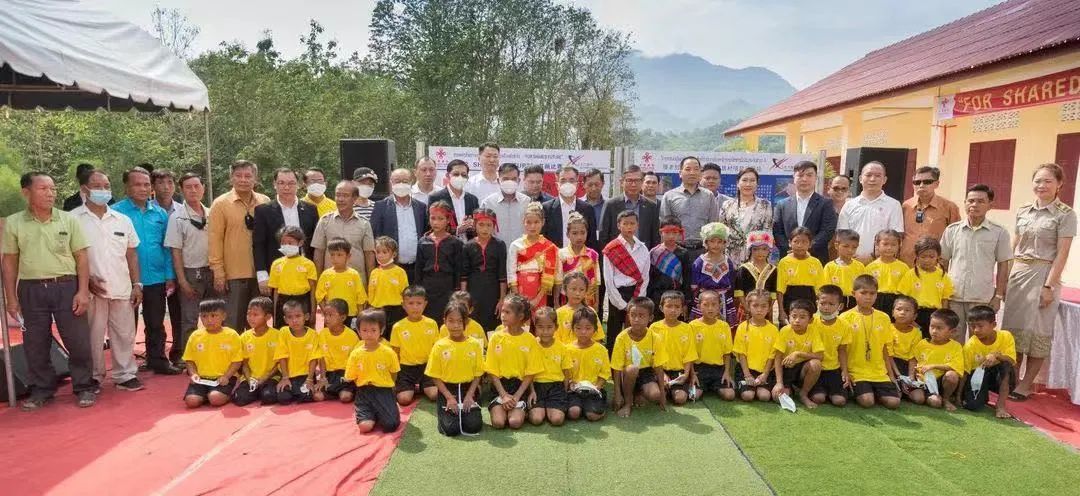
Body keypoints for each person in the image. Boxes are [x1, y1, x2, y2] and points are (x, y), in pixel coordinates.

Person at [1003, 163, 1075, 401]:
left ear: (1059, 184)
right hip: (1018, 273)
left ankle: (1026, 384)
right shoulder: (1023, 210)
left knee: (1037, 332)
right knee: (1013, 330)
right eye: (1038, 181)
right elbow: (1014, 245)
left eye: (1048, 181)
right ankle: (1011, 379)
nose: (1041, 185)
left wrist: (1049, 286)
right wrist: (1005, 277)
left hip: (1043, 274)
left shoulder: (1065, 214)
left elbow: (1062, 253)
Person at [72, 171, 143, 392]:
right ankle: (94, 376)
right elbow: (69, 255)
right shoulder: (72, 219)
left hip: (121, 286)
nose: (103, 190)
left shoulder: (122, 220)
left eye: (106, 186)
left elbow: (131, 254)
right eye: (97, 186)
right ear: (84, 189)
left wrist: (137, 284)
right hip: (91, 289)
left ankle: (125, 374)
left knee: (124, 333)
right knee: (93, 335)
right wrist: (84, 282)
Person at [114, 167, 181, 375]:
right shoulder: (116, 213)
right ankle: (125, 367)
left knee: (156, 323)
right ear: (127, 187)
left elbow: (167, 247)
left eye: (146, 185)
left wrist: (169, 275)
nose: (143, 189)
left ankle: (157, 360)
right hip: (126, 279)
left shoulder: (159, 213)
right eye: (137, 184)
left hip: (156, 277)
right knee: (126, 326)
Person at [940, 184, 1012, 341]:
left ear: (990, 205)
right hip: (954, 297)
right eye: (971, 201)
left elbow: (1003, 265)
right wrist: (941, 293)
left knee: (980, 342)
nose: (974, 205)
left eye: (980, 201)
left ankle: (978, 361)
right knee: (953, 341)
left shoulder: (999, 232)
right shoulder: (952, 230)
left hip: (982, 299)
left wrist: (998, 296)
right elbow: (943, 263)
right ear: (965, 203)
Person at [209, 160, 271, 331]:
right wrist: (218, 272)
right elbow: (215, 239)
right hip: (233, 275)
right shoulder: (220, 204)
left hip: (260, 275)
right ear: (231, 178)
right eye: (238, 175)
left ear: (255, 178)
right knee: (232, 323)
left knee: (258, 325)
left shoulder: (264, 201)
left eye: (248, 176)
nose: (243, 180)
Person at [165, 172, 217, 368]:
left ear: (203, 188)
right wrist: (182, 280)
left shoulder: (212, 213)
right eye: (188, 187)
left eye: (197, 186)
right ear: (181, 190)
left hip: (212, 271)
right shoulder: (177, 217)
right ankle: (191, 360)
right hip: (190, 273)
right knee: (189, 319)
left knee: (216, 315)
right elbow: (175, 251)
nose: (193, 190)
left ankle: (214, 355)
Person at [254, 168, 320, 297]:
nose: (286, 187)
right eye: (281, 183)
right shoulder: (263, 211)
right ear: (274, 184)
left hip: (305, 274)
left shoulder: (311, 209)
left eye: (291, 183)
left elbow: (315, 244)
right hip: (277, 275)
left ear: (298, 185)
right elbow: (258, 245)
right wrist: (262, 275)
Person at [840, 275, 900, 409]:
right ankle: (865, 391)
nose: (868, 297)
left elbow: (885, 348)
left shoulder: (884, 317)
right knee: (867, 402)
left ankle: (875, 390)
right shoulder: (845, 318)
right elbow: (841, 349)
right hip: (857, 372)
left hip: (879, 373)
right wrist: (845, 372)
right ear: (853, 293)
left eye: (872, 293)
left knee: (894, 403)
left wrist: (891, 375)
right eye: (863, 293)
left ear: (877, 294)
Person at [485, 294, 545, 429]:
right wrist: (504, 395)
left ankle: (523, 409)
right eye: (502, 311)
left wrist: (517, 396)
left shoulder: (530, 340)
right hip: (500, 387)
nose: (503, 315)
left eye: (507, 312)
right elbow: (491, 371)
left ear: (520, 316)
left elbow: (530, 372)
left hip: (519, 387)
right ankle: (500, 407)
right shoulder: (496, 337)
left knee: (515, 422)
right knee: (498, 423)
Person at [426, 302, 485, 436]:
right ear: (445, 321)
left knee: (473, 426)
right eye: (451, 321)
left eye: (459, 321)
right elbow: (435, 375)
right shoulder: (439, 346)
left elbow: (478, 373)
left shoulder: (474, 344)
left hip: (469, 388)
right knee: (451, 429)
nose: (455, 325)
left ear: (465, 322)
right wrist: (448, 397)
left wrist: (470, 395)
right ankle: (444, 414)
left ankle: (468, 413)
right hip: (448, 390)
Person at [611, 297, 667, 417]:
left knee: (655, 395)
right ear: (628, 316)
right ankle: (628, 403)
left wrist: (662, 394)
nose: (636, 319)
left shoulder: (655, 338)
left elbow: (658, 367)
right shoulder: (621, 338)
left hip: (646, 372)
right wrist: (617, 394)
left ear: (650, 318)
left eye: (641, 316)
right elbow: (616, 368)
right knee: (633, 369)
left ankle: (638, 393)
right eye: (633, 315)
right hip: (627, 374)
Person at [347, 308, 402, 433]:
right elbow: (352, 377)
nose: (369, 334)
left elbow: (394, 372)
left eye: (373, 330)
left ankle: (388, 407)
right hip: (364, 391)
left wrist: (389, 387)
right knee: (365, 427)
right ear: (358, 331)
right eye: (365, 330)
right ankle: (370, 412)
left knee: (391, 425)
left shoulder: (388, 352)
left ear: (381, 330)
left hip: (383, 390)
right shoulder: (355, 354)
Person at [312, 181, 376, 286]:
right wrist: (318, 284)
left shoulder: (364, 223)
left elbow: (369, 255)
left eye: (345, 196)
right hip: (330, 283)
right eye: (338, 195)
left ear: (355, 199)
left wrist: (371, 284)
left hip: (357, 284)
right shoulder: (324, 221)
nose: (340, 199)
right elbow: (319, 253)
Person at [838, 162, 904, 263]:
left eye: (878, 176)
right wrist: (850, 255)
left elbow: (896, 236)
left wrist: (873, 257)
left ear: (884, 180)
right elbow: (842, 235)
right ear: (860, 178)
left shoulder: (894, 205)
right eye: (868, 175)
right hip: (851, 262)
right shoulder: (849, 205)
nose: (872, 179)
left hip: (882, 263)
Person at [601, 210, 651, 346]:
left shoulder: (643, 248)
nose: (629, 227)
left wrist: (639, 299)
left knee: (636, 330)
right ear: (619, 225)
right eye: (625, 224)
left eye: (632, 223)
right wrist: (621, 304)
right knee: (614, 331)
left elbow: (645, 277)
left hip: (636, 292)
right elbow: (608, 280)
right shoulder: (611, 249)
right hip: (617, 294)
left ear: (637, 225)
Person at [773, 161, 837, 265]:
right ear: (794, 178)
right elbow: (777, 232)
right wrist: (791, 249)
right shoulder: (782, 205)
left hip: (815, 260)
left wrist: (805, 248)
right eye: (800, 175)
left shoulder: (826, 204)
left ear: (816, 178)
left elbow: (827, 231)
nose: (804, 179)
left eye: (809, 175)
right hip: (788, 260)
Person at [182, 299, 242, 408]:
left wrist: (226, 376)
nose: (209, 320)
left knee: (215, 399)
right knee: (191, 401)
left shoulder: (232, 335)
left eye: (214, 315)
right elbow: (189, 360)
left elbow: (237, 361)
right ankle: (204, 395)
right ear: (200, 317)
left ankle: (223, 395)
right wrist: (193, 374)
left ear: (223, 316)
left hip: (223, 378)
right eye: (204, 316)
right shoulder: (195, 336)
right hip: (201, 378)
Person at [150, 168, 183, 363]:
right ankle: (156, 356)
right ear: (153, 187)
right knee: (155, 316)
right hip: (154, 271)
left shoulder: (182, 210)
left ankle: (178, 353)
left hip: (179, 270)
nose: (166, 187)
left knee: (179, 314)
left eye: (170, 182)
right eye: (161, 183)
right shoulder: (147, 210)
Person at [660, 157, 719, 262]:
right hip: (676, 250)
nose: (692, 172)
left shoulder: (709, 196)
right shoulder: (669, 196)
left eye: (696, 169)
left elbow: (713, 225)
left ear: (700, 173)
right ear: (680, 173)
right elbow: (664, 227)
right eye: (688, 169)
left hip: (703, 251)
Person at [961, 305, 1016, 418]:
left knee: (1006, 366)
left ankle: (1000, 406)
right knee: (972, 405)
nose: (976, 330)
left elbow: (1011, 360)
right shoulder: (970, 345)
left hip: (998, 375)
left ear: (993, 325)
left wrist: (996, 355)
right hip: (978, 375)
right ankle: (982, 396)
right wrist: (958, 396)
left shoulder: (1006, 336)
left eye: (980, 326)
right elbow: (965, 372)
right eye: (972, 326)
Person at [374, 168, 430, 277]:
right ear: (391, 183)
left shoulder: (421, 207)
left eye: (405, 181)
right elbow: (376, 236)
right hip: (390, 267)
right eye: (397, 181)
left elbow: (425, 233)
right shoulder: (381, 207)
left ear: (411, 182)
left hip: (417, 268)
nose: (401, 184)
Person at [390, 285, 441, 405]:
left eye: (419, 303)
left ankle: (424, 385)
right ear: (403, 305)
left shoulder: (432, 323)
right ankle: (408, 387)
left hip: (427, 367)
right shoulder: (398, 327)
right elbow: (395, 354)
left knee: (434, 395)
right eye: (411, 303)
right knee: (404, 399)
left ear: (425, 304)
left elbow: (436, 349)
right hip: (406, 369)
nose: (415, 307)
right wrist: (393, 378)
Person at [414, 201, 464, 323]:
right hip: (427, 286)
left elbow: (458, 269)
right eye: (433, 218)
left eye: (440, 219)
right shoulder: (423, 241)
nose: (436, 222)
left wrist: (457, 291)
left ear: (448, 220)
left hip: (447, 287)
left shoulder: (455, 243)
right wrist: (418, 290)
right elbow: (418, 268)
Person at [901, 167, 961, 265]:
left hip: (935, 264)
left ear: (936, 184)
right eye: (917, 182)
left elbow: (956, 238)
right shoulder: (906, 206)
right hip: (907, 263)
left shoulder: (949, 207)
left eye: (927, 182)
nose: (921, 185)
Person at [907, 309, 964, 412]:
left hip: (941, 381)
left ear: (952, 331)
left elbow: (955, 366)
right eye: (932, 326)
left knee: (952, 375)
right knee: (920, 399)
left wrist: (933, 366)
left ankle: (945, 399)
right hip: (923, 380)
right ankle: (930, 396)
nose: (934, 331)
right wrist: (911, 377)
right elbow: (913, 359)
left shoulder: (956, 346)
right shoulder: (922, 343)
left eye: (939, 328)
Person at [231, 297, 283, 407]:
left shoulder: (277, 335)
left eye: (255, 315)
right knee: (239, 399)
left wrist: (264, 378)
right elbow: (244, 363)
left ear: (268, 317)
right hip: (251, 378)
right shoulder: (244, 337)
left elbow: (279, 363)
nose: (251, 318)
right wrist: (249, 379)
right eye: (249, 314)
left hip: (271, 377)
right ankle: (254, 391)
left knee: (269, 396)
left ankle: (261, 392)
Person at [773, 299, 824, 409]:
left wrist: (798, 354)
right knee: (777, 397)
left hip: (802, 370)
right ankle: (789, 388)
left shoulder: (813, 331)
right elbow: (777, 358)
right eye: (794, 316)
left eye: (802, 317)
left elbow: (820, 356)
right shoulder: (785, 331)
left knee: (816, 364)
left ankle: (803, 394)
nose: (797, 320)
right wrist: (779, 383)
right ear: (789, 316)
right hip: (786, 369)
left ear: (810, 320)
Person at [507, 202, 560, 309]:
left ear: (543, 222)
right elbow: (511, 273)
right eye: (529, 222)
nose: (533, 226)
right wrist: (518, 297)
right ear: (523, 222)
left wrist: (537, 299)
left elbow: (549, 275)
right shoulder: (515, 245)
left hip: (540, 291)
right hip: (519, 290)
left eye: (536, 222)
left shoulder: (549, 247)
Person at [898, 237, 953, 338]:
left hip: (935, 316)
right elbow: (904, 298)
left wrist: (943, 318)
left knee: (932, 342)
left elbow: (945, 299)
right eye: (923, 256)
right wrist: (910, 318)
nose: (927, 260)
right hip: (915, 314)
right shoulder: (910, 274)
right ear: (917, 256)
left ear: (938, 256)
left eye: (931, 257)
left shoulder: (943, 276)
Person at [649, 291, 698, 406]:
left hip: (678, 372)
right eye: (669, 306)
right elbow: (651, 355)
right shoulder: (654, 328)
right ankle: (662, 390)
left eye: (677, 307)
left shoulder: (687, 328)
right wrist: (662, 374)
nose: (673, 310)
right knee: (655, 396)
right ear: (661, 308)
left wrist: (686, 375)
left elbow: (689, 354)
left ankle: (672, 390)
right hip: (659, 370)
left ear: (682, 309)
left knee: (680, 399)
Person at [461, 209, 506, 331]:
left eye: (489, 225)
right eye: (481, 225)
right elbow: (464, 275)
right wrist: (464, 298)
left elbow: (502, 274)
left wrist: (502, 299)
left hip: (493, 291)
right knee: (474, 323)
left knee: (492, 324)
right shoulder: (468, 246)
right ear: (475, 225)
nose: (485, 229)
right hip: (473, 290)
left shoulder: (499, 245)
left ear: (494, 226)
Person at [732, 290, 780, 402]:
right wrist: (747, 375)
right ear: (748, 306)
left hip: (764, 371)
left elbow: (772, 356)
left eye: (763, 306)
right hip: (745, 370)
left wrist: (765, 374)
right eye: (755, 305)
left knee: (764, 396)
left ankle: (760, 385)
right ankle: (745, 385)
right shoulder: (742, 327)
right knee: (748, 396)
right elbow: (741, 354)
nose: (759, 309)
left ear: (769, 308)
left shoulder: (773, 330)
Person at [565, 306, 611, 421]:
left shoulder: (601, 350)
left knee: (592, 416)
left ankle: (594, 407)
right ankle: (581, 407)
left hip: (594, 390)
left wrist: (597, 387)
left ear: (595, 329)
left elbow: (605, 374)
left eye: (588, 328)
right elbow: (564, 373)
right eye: (578, 328)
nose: (583, 332)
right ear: (573, 329)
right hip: (574, 390)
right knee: (573, 413)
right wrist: (570, 384)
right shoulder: (567, 349)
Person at [599, 165, 660, 250]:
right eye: (629, 180)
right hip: (617, 254)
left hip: (643, 255)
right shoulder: (611, 205)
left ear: (642, 182)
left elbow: (655, 237)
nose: (633, 184)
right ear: (621, 182)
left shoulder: (651, 206)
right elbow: (603, 236)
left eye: (637, 180)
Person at [719, 167, 773, 264]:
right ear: (737, 183)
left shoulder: (765, 205)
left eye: (752, 180)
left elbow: (767, 233)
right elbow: (722, 232)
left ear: (757, 184)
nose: (748, 184)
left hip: (755, 257)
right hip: (730, 257)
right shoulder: (727, 205)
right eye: (744, 180)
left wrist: (765, 260)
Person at [527, 307, 571, 426]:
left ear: (556, 327)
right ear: (535, 327)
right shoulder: (531, 345)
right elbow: (527, 372)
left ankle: (552, 408)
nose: (545, 331)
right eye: (540, 327)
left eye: (549, 327)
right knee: (536, 419)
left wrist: (564, 392)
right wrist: (531, 390)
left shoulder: (562, 348)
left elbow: (566, 373)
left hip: (556, 387)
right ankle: (539, 409)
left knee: (557, 420)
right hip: (536, 387)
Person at [690, 290, 736, 401]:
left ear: (719, 306)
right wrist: (692, 374)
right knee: (693, 396)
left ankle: (714, 385)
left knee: (730, 395)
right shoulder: (692, 326)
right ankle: (703, 386)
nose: (710, 308)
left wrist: (727, 372)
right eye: (706, 305)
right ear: (699, 306)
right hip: (699, 369)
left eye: (714, 305)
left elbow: (727, 353)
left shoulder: (724, 326)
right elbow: (689, 353)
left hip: (718, 369)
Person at [276, 300, 325, 404]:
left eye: (298, 316)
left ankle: (299, 391)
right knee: (283, 398)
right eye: (290, 317)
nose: (294, 320)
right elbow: (282, 356)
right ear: (285, 319)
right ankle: (294, 391)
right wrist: (285, 377)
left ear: (306, 317)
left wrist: (310, 379)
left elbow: (314, 359)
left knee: (306, 397)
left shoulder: (313, 335)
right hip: (288, 375)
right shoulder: (283, 332)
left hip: (305, 376)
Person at [810, 285, 852, 407]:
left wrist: (844, 371)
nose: (826, 307)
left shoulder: (845, 325)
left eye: (831, 304)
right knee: (818, 398)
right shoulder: (811, 322)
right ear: (817, 303)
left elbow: (842, 350)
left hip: (834, 369)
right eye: (823, 303)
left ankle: (833, 391)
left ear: (840, 306)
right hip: (816, 369)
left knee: (839, 401)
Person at [268, 226, 318, 327]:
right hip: (283, 301)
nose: (286, 245)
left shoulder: (308, 264)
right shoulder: (276, 264)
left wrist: (313, 312)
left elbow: (313, 290)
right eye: (283, 243)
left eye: (290, 243)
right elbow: (276, 291)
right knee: (283, 331)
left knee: (302, 331)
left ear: (300, 243)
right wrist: (275, 314)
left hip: (302, 300)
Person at [690, 222, 737, 325]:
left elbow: (731, 284)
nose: (716, 245)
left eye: (720, 242)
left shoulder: (728, 261)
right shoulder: (699, 262)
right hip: (704, 301)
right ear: (706, 242)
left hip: (723, 301)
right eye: (712, 241)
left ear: (725, 243)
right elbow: (694, 286)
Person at [542, 166, 598, 250]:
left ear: (577, 185)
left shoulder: (587, 209)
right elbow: (542, 238)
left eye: (571, 180)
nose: (567, 184)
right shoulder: (546, 208)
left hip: (580, 257)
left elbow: (592, 240)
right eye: (563, 180)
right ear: (557, 185)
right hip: (554, 256)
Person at [648, 217, 692, 319]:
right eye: (667, 233)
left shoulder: (683, 253)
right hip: (658, 296)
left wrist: (686, 302)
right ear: (661, 233)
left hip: (677, 296)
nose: (671, 236)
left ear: (680, 233)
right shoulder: (654, 253)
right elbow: (650, 279)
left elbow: (687, 278)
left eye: (675, 233)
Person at [315, 239, 367, 323]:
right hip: (332, 316)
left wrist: (360, 317)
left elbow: (360, 298)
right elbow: (319, 297)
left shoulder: (354, 274)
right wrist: (327, 313)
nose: (335, 258)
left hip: (351, 315)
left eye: (339, 255)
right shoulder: (326, 275)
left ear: (348, 256)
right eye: (332, 255)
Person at [777, 227, 823, 322]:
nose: (799, 245)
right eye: (796, 241)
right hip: (790, 299)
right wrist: (781, 311)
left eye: (804, 242)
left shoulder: (816, 262)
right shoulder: (784, 262)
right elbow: (780, 290)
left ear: (810, 244)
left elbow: (820, 289)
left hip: (809, 299)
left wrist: (820, 309)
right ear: (790, 243)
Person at [319, 299, 360, 403]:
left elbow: (356, 361)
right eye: (325, 315)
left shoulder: (352, 336)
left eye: (330, 315)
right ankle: (333, 391)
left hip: (346, 374)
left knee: (345, 397)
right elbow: (321, 358)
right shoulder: (322, 334)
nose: (327, 318)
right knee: (317, 396)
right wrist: (323, 377)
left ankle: (343, 390)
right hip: (329, 374)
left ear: (343, 317)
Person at [557, 212, 601, 309]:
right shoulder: (561, 254)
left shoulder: (593, 255)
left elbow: (597, 282)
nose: (579, 237)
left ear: (587, 233)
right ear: (567, 234)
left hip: (588, 300)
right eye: (574, 233)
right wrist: (556, 302)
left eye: (582, 233)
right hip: (567, 300)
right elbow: (558, 280)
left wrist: (597, 302)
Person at [479, 162, 530, 245]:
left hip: (522, 250)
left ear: (518, 181)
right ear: (498, 181)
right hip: (496, 250)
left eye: (513, 179)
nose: (510, 182)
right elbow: (481, 230)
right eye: (505, 179)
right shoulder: (488, 203)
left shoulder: (527, 202)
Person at [428, 159, 479, 240]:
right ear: (447, 175)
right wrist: (457, 230)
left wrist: (473, 226)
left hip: (469, 245)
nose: (460, 177)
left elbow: (478, 227)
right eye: (456, 174)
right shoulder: (436, 198)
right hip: (446, 245)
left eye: (463, 175)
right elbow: (431, 227)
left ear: (467, 177)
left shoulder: (473, 199)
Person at [369, 237, 409, 336]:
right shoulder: (374, 272)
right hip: (378, 310)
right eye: (378, 252)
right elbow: (371, 294)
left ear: (394, 254)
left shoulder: (400, 272)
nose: (380, 255)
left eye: (384, 252)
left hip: (396, 310)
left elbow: (405, 292)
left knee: (394, 336)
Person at [734, 231, 778, 312]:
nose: (760, 252)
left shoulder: (773, 270)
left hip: (765, 308)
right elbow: (739, 291)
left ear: (769, 250)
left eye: (764, 249)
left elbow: (773, 292)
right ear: (751, 250)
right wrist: (747, 308)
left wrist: (768, 308)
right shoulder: (744, 269)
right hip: (746, 308)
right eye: (756, 249)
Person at [866, 230, 908, 316]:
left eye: (893, 245)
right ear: (877, 244)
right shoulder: (870, 267)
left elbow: (905, 291)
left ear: (899, 245)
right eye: (885, 244)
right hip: (876, 300)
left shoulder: (904, 268)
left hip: (896, 302)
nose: (889, 248)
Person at [555, 273, 604, 344]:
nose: (577, 293)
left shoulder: (590, 311)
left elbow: (597, 338)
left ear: (586, 291)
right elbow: (555, 341)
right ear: (565, 290)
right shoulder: (559, 313)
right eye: (573, 289)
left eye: (581, 290)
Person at [823, 229, 866, 310]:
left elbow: (863, 287)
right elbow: (826, 289)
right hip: (836, 302)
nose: (850, 250)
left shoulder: (860, 266)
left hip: (855, 302)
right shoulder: (829, 267)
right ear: (836, 246)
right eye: (846, 246)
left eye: (854, 247)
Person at [888, 295, 921, 378]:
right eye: (899, 309)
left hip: (906, 365)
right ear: (892, 313)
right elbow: (888, 354)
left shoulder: (916, 333)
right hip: (889, 363)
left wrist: (911, 377)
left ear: (914, 316)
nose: (902, 312)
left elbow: (913, 357)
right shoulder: (887, 328)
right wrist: (898, 374)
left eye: (907, 310)